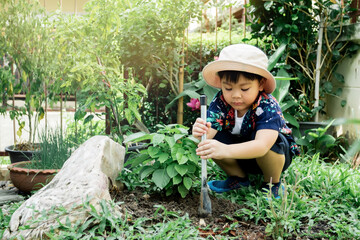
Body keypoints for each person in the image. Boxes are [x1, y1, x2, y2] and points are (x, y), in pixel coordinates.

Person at [192, 44, 300, 199]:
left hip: (272, 155)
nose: (235, 95)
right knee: (211, 142)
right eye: (228, 88)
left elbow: (262, 146)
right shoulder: (221, 101)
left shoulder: (267, 106)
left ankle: (272, 183)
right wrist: (201, 131)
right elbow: (209, 133)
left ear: (261, 84)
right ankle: (238, 178)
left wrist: (225, 150)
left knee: (273, 141)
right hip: (240, 155)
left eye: (244, 89)